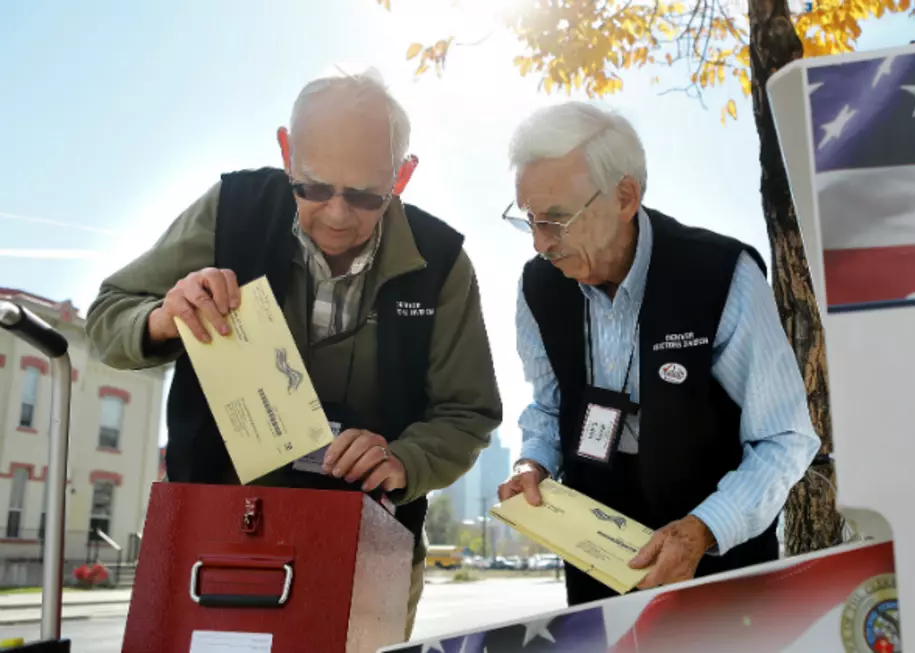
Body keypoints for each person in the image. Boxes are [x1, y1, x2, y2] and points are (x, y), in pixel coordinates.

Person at [86, 67, 502, 637]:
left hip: (369, 543)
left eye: (363, 196)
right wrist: (164, 318)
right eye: (313, 187)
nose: (336, 214)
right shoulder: (231, 209)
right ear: (286, 151)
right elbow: (108, 314)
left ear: (402, 176)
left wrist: (403, 459)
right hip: (218, 533)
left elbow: (468, 412)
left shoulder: (443, 262)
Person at [497, 101, 821, 607]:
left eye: (557, 220)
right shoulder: (540, 285)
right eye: (530, 220)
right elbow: (549, 406)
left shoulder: (719, 275)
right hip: (596, 559)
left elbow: (785, 437)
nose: (541, 244)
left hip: (717, 557)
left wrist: (705, 529)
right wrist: (531, 464)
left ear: (626, 196)